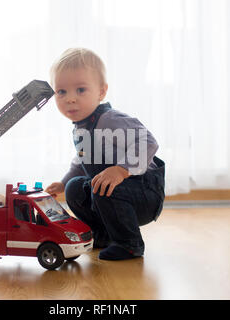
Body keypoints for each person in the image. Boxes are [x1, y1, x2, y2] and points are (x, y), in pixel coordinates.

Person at [45, 48, 165, 260]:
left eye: (80, 90)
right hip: (112, 193)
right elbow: (81, 161)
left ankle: (130, 243)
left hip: (144, 193)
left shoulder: (109, 120)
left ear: (101, 92)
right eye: (61, 92)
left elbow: (148, 141)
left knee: (102, 186)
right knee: (75, 188)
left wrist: (121, 170)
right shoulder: (81, 127)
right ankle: (104, 234)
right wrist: (64, 183)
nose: (70, 99)